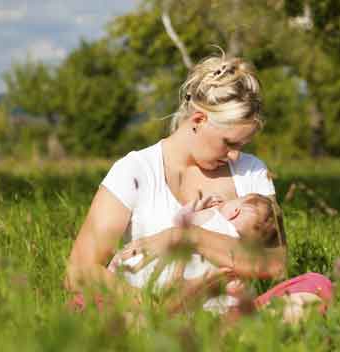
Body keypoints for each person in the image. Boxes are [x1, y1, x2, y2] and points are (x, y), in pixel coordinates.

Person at [64, 53, 287, 312]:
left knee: (316, 285)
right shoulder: (136, 170)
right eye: (228, 143)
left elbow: (275, 264)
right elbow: (79, 271)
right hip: (148, 310)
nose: (234, 155)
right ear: (199, 120)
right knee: (84, 306)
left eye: (241, 145)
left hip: (227, 313)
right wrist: (151, 305)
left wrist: (184, 236)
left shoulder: (251, 171)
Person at [107, 193, 282, 314]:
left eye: (233, 201)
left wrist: (197, 208)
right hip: (190, 295)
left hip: (145, 277)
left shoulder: (213, 215)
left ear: (235, 211)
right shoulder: (236, 251)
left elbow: (179, 222)